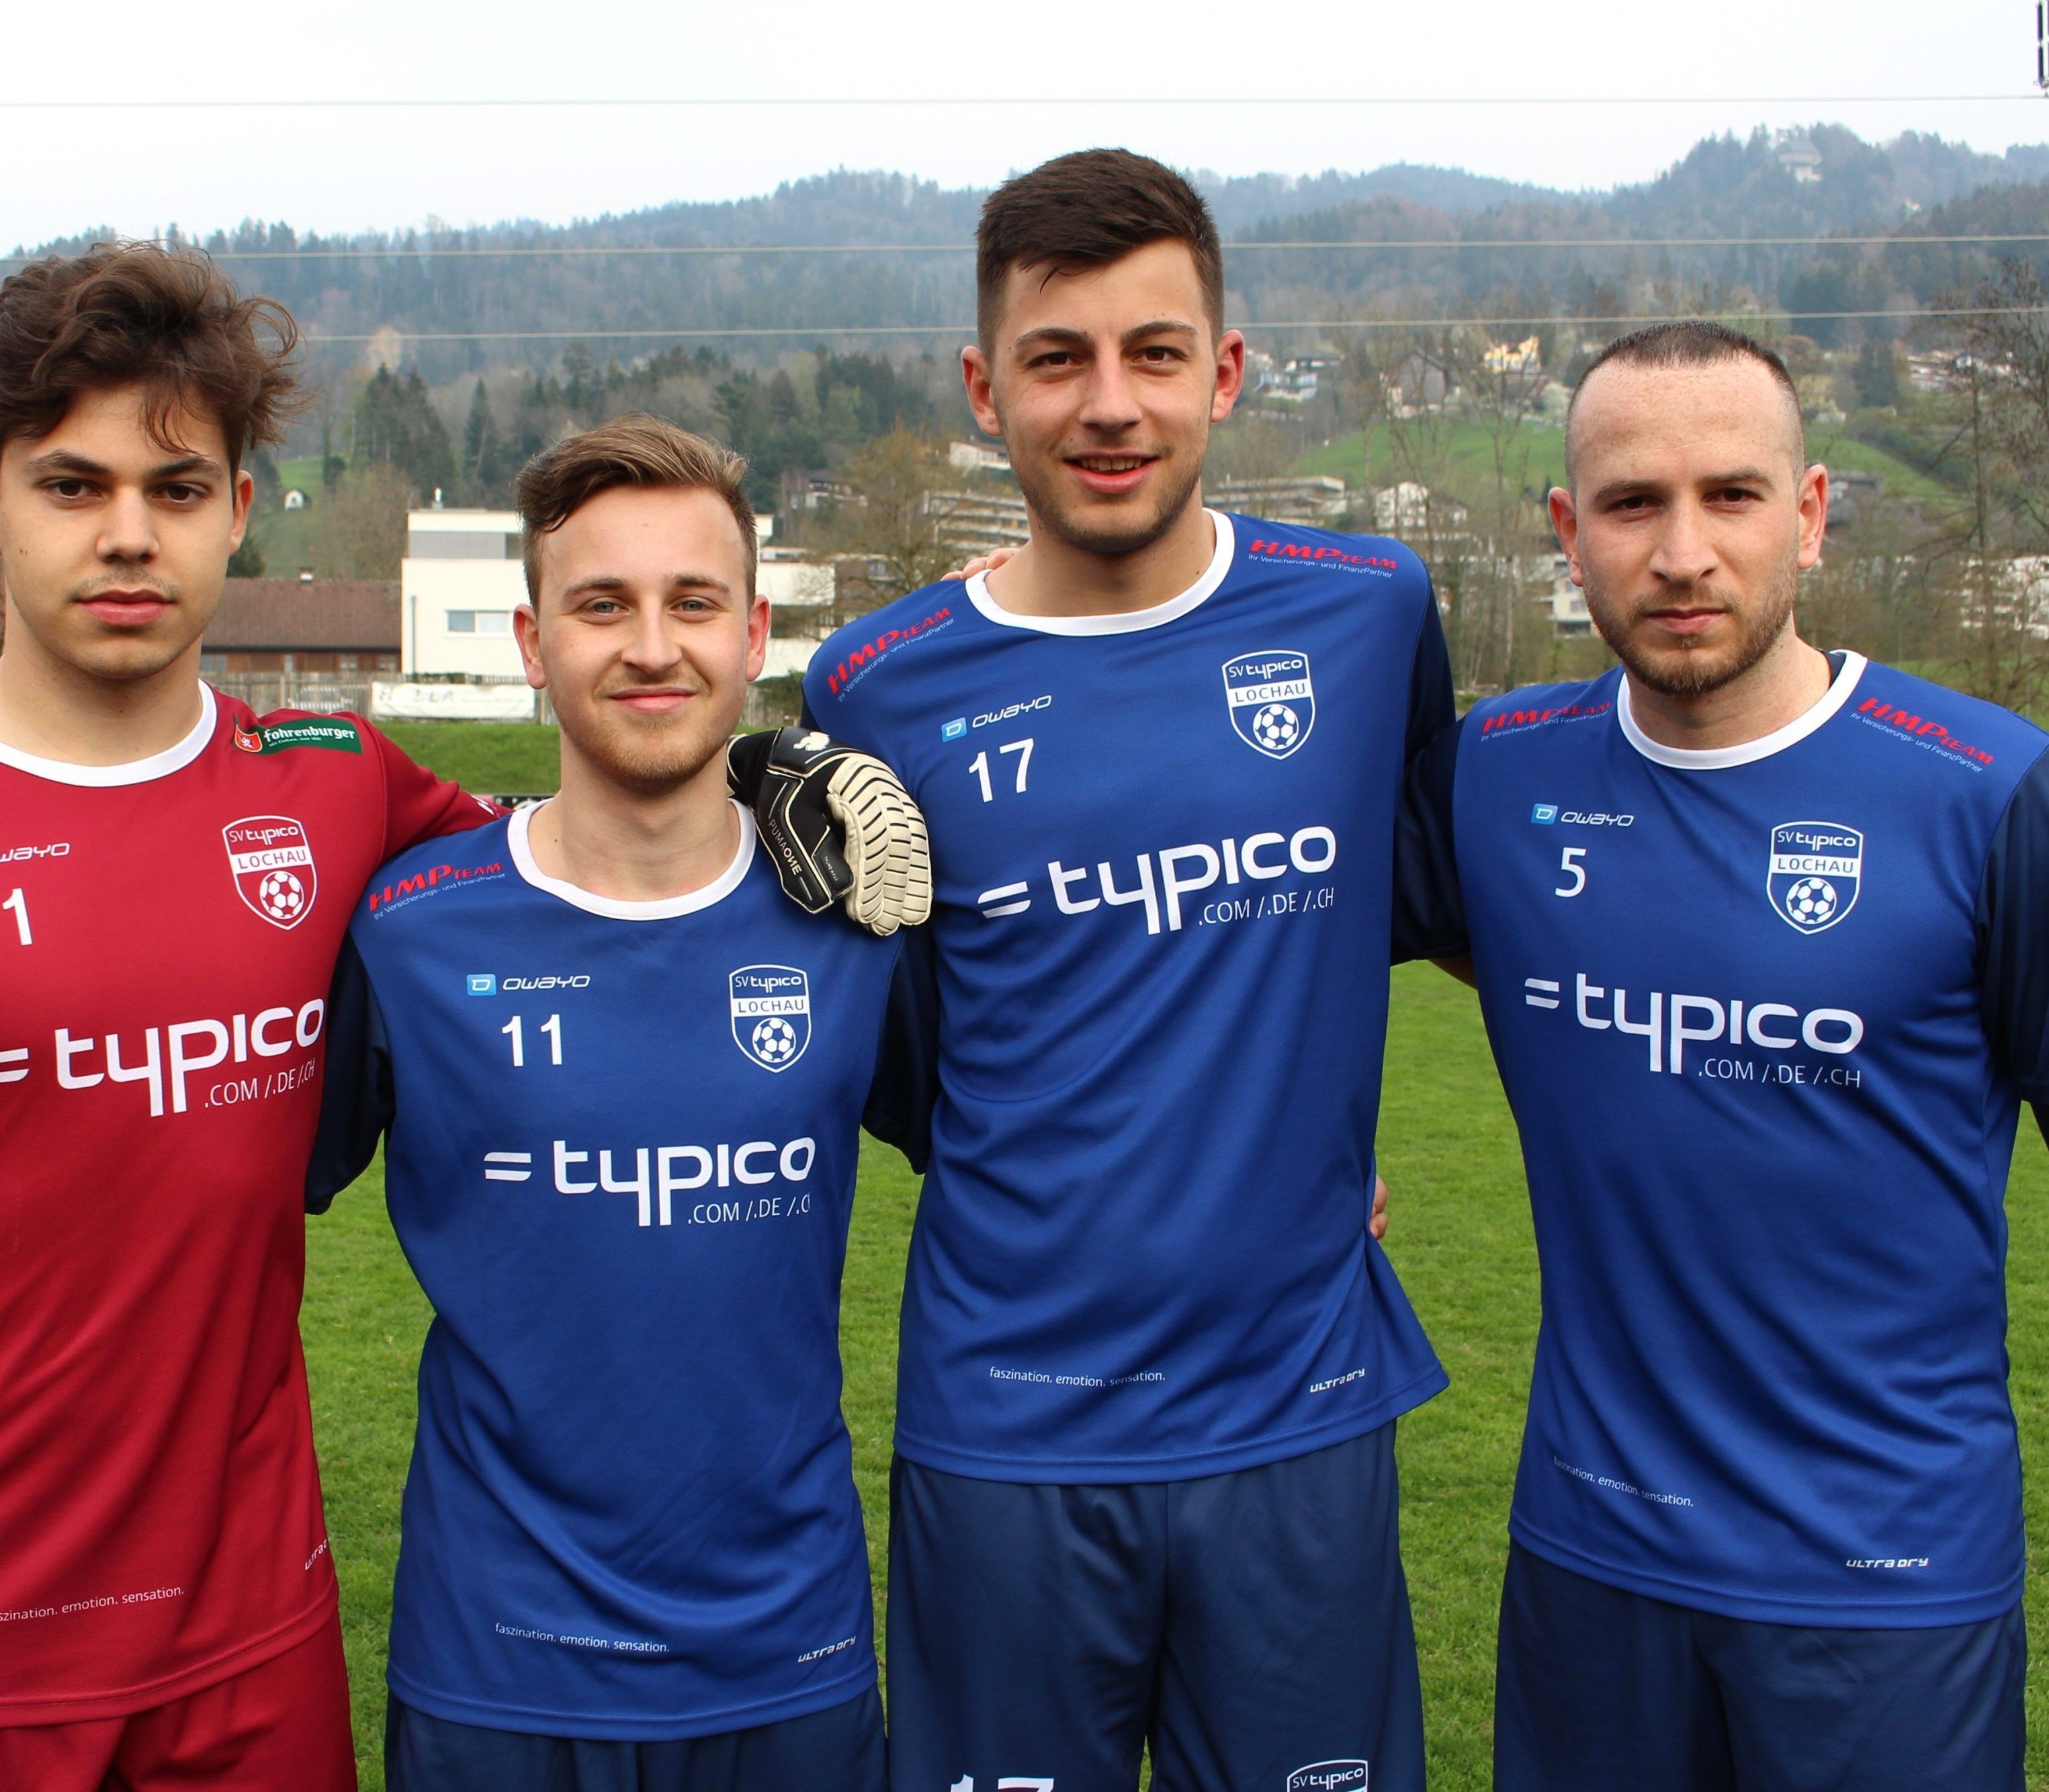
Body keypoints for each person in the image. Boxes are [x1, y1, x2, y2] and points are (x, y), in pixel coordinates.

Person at [0, 247, 919, 1792]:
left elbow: (583, 840)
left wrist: (768, 769)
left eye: (178, 488)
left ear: (240, 508)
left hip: (251, 1644)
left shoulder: (336, 785)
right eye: (73, 484)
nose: (129, 532)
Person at [803, 148, 1450, 1792]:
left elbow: (1454, 893)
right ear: (980, 387)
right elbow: (896, 1059)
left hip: (1292, 1417)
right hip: (1008, 1422)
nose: (1109, 403)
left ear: (1222, 372)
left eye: (1153, 352)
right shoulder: (873, 685)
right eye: (1056, 357)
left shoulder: (1368, 616)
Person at [1393, 321, 2048, 1791]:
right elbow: (1241, 926)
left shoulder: (1985, 792)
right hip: (1591, 1556)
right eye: (1630, 503)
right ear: (1567, 531)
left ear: (1809, 513)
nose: (1681, 551)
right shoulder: (1499, 773)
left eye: (1730, 496)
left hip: (1887, 1576)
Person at [303, 415, 924, 1789]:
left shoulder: (859, 921)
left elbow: (1034, 1155)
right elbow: (205, 1188)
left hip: (790, 1653)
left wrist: (1297, 1192)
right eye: (601, 604)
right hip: (496, 1662)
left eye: (691, 600)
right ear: (533, 642)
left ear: (752, 629)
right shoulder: (408, 930)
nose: (652, 644)